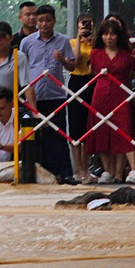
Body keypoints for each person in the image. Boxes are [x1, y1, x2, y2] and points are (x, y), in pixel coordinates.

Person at [20, 4, 75, 181]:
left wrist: (63, 60)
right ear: (36, 22)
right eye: (40, 20)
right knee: (34, 137)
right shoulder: (26, 42)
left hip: (55, 95)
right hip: (34, 96)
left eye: (47, 20)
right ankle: (38, 173)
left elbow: (72, 65)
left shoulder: (63, 41)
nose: (44, 24)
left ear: (54, 21)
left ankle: (64, 174)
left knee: (57, 135)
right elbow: (23, 68)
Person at [85, 16, 135, 183]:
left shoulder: (127, 53)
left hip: (121, 94)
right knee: (102, 131)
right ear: (101, 35)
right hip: (100, 94)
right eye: (105, 34)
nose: (109, 37)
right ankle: (107, 171)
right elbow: (91, 72)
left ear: (119, 35)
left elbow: (133, 73)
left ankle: (123, 172)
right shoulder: (95, 53)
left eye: (113, 34)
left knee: (123, 131)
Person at [60, 14, 96, 184]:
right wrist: (79, 39)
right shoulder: (72, 43)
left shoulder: (96, 44)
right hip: (75, 82)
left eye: (89, 26)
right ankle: (79, 169)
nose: (86, 29)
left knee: (89, 129)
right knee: (75, 129)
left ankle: (86, 168)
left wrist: (93, 43)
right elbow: (76, 61)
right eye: (83, 26)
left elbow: (94, 65)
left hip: (91, 83)